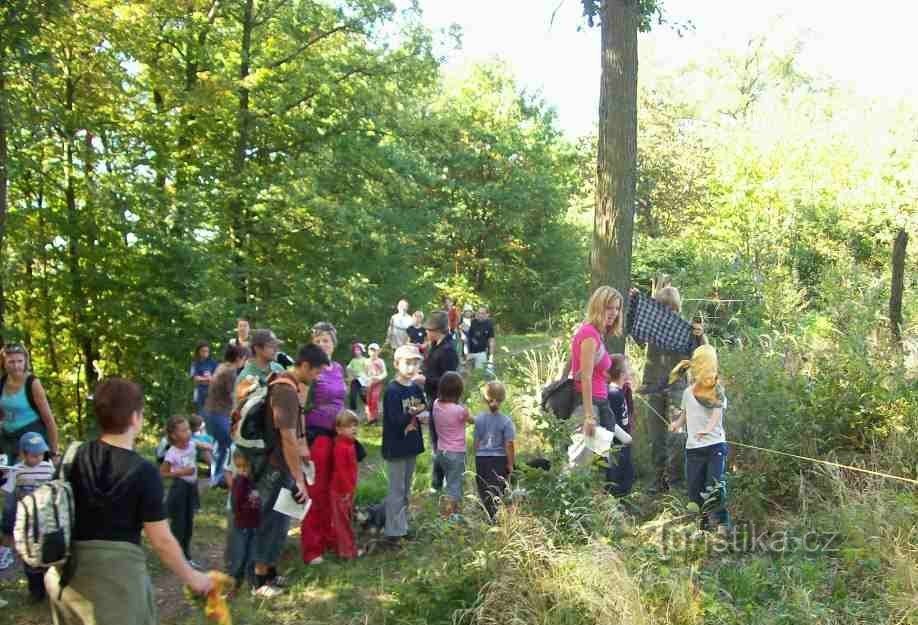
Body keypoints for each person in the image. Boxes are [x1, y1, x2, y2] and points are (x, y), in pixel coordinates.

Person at [47, 377, 211, 624]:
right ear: (135, 418)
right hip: (115, 581)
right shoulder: (142, 471)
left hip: (67, 577)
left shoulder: (74, 454)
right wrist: (193, 577)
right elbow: (162, 541)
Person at [251, 344, 328, 597]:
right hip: (275, 466)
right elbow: (287, 438)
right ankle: (259, 580)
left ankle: (271, 572)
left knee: (282, 519)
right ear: (304, 366)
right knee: (271, 522)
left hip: (283, 464)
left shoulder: (291, 386)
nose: (316, 378)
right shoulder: (284, 391)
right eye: (316, 372)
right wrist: (299, 479)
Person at [635, 283, 707, 493]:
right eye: (661, 306)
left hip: (678, 388)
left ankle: (675, 481)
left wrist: (700, 335)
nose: (667, 311)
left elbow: (703, 354)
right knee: (656, 436)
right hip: (653, 386)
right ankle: (657, 480)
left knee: (676, 435)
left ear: (677, 308)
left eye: (670, 307)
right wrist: (635, 301)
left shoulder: (686, 330)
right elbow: (634, 329)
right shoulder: (651, 326)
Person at [667, 345, 729, 533]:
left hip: (715, 446)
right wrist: (677, 424)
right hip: (693, 449)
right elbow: (686, 413)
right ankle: (702, 522)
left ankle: (722, 523)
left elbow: (717, 414)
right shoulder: (688, 393)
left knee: (714, 485)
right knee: (695, 487)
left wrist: (707, 429)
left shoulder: (717, 390)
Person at [301, 322, 347, 566]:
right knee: (315, 490)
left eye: (325, 341)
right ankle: (312, 547)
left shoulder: (339, 368)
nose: (321, 345)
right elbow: (299, 405)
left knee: (334, 489)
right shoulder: (309, 371)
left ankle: (330, 537)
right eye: (317, 341)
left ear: (333, 344)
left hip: (338, 435)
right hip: (316, 434)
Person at [381, 344, 427, 546]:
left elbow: (423, 405)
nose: (412, 367)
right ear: (396, 364)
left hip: (412, 444)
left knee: (406, 488)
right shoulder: (392, 390)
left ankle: (402, 525)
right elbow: (394, 420)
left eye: (415, 362)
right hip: (396, 445)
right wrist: (412, 412)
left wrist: (423, 413)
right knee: (396, 490)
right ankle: (393, 532)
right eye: (407, 362)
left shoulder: (415, 387)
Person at [1, 432, 55, 601]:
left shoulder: (48, 466)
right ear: (22, 454)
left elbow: (55, 490)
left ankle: (51, 589)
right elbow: (8, 493)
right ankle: (36, 591)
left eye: (41, 454)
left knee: (47, 555)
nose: (38, 458)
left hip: (46, 520)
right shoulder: (17, 470)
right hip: (26, 521)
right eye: (34, 455)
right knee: (29, 556)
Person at [572, 286, 624, 439]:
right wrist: (589, 416)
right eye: (609, 307)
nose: (614, 312)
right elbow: (585, 377)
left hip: (600, 401)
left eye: (617, 308)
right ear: (598, 307)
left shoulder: (597, 333)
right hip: (591, 404)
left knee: (602, 459)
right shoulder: (589, 334)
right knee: (587, 460)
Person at [416, 311, 459, 492]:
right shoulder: (435, 345)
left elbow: (449, 381)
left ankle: (442, 482)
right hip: (433, 398)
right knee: (436, 442)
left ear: (437, 330)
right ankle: (437, 481)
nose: (426, 332)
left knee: (441, 443)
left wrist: (426, 381)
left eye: (429, 329)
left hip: (444, 402)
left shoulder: (448, 350)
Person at [0, 343, 59, 462]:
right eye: (11, 362)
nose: (16, 366)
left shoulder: (32, 383)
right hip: (7, 441)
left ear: (25, 362)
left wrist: (54, 453)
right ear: (4, 363)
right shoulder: (2, 383)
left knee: (26, 477)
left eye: (20, 361)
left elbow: (49, 420)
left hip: (32, 440)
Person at [161, 415, 207, 565]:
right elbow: (163, 473)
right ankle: (176, 557)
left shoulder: (192, 444)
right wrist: (181, 472)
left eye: (188, 429)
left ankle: (186, 556)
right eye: (183, 430)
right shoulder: (172, 453)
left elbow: (204, 446)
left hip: (190, 488)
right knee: (179, 525)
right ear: (174, 435)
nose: (188, 432)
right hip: (179, 489)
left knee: (188, 524)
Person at [203, 343, 247, 487]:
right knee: (229, 445)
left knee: (222, 446)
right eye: (244, 358)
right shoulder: (230, 372)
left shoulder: (222, 366)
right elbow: (233, 394)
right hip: (218, 413)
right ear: (239, 358)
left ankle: (217, 477)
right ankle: (220, 477)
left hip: (211, 412)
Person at [431, 372, 472, 518]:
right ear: (458, 392)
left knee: (448, 484)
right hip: (456, 453)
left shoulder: (436, 404)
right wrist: (465, 407)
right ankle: (450, 517)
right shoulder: (460, 411)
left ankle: (446, 513)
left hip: (441, 451)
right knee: (454, 487)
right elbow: (472, 420)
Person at [473, 381, 515, 521]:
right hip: (499, 459)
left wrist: (477, 455)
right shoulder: (506, 421)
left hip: (482, 458)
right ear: (502, 399)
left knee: (483, 487)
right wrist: (510, 463)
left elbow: (476, 441)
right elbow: (509, 444)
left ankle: (488, 514)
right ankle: (494, 517)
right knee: (497, 487)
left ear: (485, 399)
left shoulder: (478, 419)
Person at [329, 410, 362, 559]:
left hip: (348, 490)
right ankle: (347, 551)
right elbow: (341, 472)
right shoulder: (341, 447)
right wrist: (347, 491)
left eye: (355, 425)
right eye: (349, 426)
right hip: (341, 491)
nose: (353, 429)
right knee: (343, 523)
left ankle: (344, 548)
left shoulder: (349, 444)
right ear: (339, 429)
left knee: (346, 520)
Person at [227, 453, 259, 592]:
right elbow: (235, 504)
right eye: (239, 467)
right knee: (239, 553)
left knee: (252, 553)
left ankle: (252, 583)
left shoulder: (255, 481)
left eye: (246, 467)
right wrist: (243, 513)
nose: (243, 471)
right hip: (242, 524)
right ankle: (234, 583)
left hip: (254, 523)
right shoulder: (239, 482)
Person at [606, 355, 635, 496]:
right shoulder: (613, 394)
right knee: (617, 477)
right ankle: (616, 505)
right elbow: (610, 421)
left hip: (624, 445)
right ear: (622, 374)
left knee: (627, 475)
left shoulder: (619, 391)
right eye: (628, 369)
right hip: (617, 445)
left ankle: (624, 502)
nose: (631, 371)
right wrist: (625, 437)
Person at [189, 342, 218, 416]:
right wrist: (207, 379)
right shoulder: (195, 363)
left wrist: (209, 378)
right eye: (203, 351)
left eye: (207, 351)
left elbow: (217, 377)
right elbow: (195, 378)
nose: (205, 353)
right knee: (200, 412)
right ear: (199, 352)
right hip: (199, 391)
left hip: (211, 391)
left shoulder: (213, 363)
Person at [466, 306, 496, 370]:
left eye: (482, 313)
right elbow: (466, 336)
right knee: (467, 375)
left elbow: (491, 341)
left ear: (487, 314)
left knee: (478, 375)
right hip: (470, 353)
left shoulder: (489, 324)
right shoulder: (472, 322)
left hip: (481, 353)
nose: (480, 315)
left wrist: (491, 356)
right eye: (479, 313)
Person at [364, 343, 387, 424]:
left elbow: (384, 373)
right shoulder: (366, 361)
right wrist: (366, 380)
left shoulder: (380, 361)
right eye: (371, 350)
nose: (373, 353)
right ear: (368, 352)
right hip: (369, 383)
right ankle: (369, 418)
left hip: (377, 383)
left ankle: (375, 417)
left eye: (375, 351)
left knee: (374, 398)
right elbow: (364, 373)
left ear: (378, 352)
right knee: (368, 400)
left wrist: (379, 377)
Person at [346, 343, 370, 415]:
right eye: (355, 350)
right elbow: (348, 368)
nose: (356, 352)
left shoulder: (365, 360)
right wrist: (350, 375)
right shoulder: (353, 360)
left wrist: (365, 377)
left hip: (363, 380)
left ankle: (369, 409)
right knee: (352, 396)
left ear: (361, 351)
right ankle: (353, 412)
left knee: (363, 396)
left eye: (358, 350)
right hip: (355, 380)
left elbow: (368, 370)